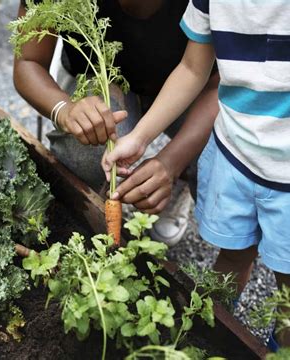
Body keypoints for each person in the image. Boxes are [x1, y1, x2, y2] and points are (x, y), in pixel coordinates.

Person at [102, 0, 290, 348]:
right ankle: (205, 335)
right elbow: (192, 68)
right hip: (235, 156)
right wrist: (141, 137)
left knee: (289, 288)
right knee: (233, 255)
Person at [13, 0, 219, 246]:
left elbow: (225, 84)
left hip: (199, 84)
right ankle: (93, 225)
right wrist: (65, 110)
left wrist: (172, 162)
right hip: (104, 78)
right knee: (88, 147)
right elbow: (28, 62)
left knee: (220, 155)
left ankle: (182, 180)